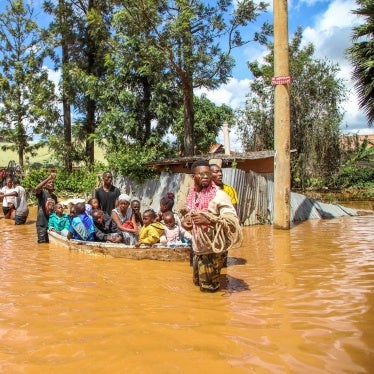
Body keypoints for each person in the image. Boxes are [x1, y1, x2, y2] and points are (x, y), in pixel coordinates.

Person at [181, 159, 242, 293]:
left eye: (208, 174)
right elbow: (188, 213)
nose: (205, 177)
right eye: (201, 174)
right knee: (198, 286)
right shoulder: (193, 195)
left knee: (209, 291)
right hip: (198, 249)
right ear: (193, 177)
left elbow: (233, 221)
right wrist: (185, 221)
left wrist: (209, 220)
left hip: (212, 251)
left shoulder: (219, 195)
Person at [34, 173, 58, 243]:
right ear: (45, 185)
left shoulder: (54, 197)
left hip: (50, 223)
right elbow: (37, 188)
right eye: (49, 182)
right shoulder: (42, 193)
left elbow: (55, 211)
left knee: (49, 243)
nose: (51, 184)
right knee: (42, 244)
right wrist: (49, 177)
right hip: (42, 223)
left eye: (52, 182)